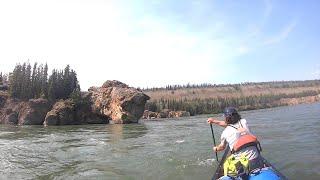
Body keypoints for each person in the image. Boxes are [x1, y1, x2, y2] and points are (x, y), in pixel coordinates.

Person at [207, 107, 264, 171]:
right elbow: (230, 124)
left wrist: (216, 149)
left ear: (226, 118)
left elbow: (222, 147)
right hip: (256, 159)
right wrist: (214, 121)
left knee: (227, 166)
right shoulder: (244, 122)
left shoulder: (225, 133)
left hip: (241, 165)